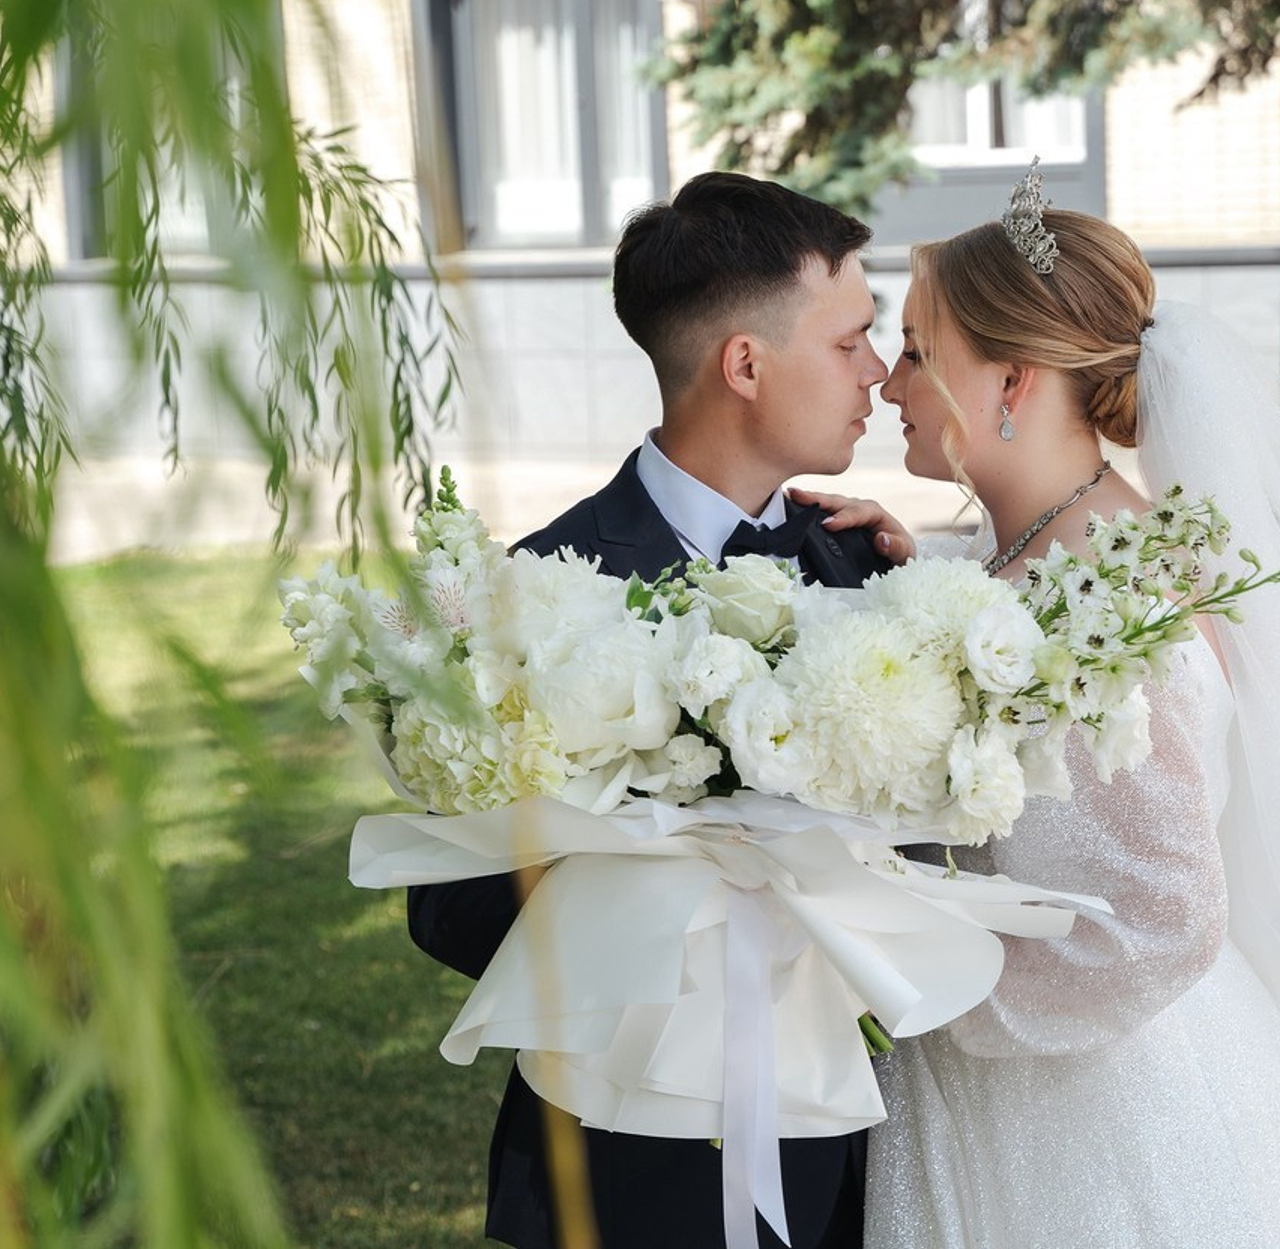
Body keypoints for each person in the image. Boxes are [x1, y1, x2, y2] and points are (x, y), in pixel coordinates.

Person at [407, 171, 911, 1249]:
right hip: (608, 1154)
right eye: (849, 340)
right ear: (743, 363)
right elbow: (444, 907)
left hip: (835, 1146)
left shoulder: (870, 573)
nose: (876, 370)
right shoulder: (538, 588)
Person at [811, 164, 1280, 1247]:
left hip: (1090, 1111)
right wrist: (920, 568)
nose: (888, 385)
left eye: (919, 352)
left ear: (1011, 383)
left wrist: (923, 991)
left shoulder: (1109, 597)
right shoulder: (1053, 542)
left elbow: (1166, 916)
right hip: (1023, 1076)